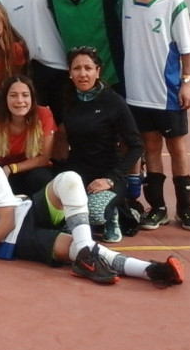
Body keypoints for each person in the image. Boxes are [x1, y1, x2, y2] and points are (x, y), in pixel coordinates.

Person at [0, 127, 184, 289]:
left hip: (25, 213)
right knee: (81, 250)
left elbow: (6, 219)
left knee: (68, 179)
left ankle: (85, 255)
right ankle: (152, 271)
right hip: (18, 243)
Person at [118, 0, 190, 232]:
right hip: (136, 94)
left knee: (177, 148)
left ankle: (186, 210)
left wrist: (186, 83)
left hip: (167, 92)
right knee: (150, 149)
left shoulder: (172, 1)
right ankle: (158, 209)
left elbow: (187, 49)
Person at [57, 48, 143, 242]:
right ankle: (101, 212)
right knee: (53, 213)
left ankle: (113, 216)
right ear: (69, 73)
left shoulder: (114, 102)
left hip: (108, 175)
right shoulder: (67, 100)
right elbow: (60, 138)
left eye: (88, 68)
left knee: (94, 211)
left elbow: (137, 146)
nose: (83, 73)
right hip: (78, 174)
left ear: (98, 71)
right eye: (77, 68)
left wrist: (111, 179)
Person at [0, 75, 55, 197]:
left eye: (25, 95)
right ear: (5, 99)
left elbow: (44, 158)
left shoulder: (43, 114)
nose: (20, 101)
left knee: (40, 178)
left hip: (34, 169)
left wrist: (11, 168)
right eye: (13, 95)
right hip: (5, 172)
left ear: (32, 98)